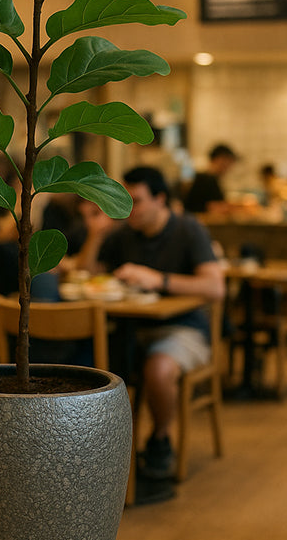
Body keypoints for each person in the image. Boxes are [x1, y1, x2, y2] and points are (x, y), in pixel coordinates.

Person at [97, 166, 225, 501]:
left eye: (136, 201)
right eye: (124, 200)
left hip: (184, 329)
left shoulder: (188, 229)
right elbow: (89, 273)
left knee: (159, 368)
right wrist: (96, 233)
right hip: (129, 327)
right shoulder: (123, 235)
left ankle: (160, 439)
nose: (129, 209)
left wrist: (159, 279)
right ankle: (106, 456)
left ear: (160, 199)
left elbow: (215, 286)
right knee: (91, 365)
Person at [182, 143, 238, 215]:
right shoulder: (206, 179)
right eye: (229, 162)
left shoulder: (209, 178)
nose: (229, 168)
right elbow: (212, 207)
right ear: (220, 160)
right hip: (200, 222)